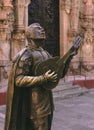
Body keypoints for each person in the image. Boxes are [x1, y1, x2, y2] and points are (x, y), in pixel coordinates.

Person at [4, 23, 80, 130]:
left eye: (42, 28)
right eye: (38, 29)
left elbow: (59, 74)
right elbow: (19, 79)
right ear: (29, 35)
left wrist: (69, 58)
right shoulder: (26, 55)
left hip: (47, 101)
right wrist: (43, 78)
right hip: (34, 104)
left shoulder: (45, 53)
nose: (42, 30)